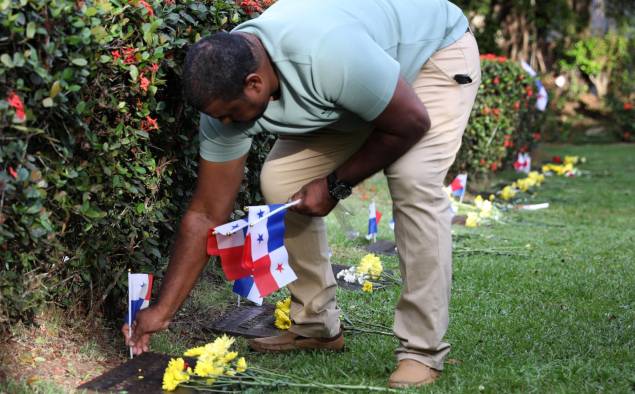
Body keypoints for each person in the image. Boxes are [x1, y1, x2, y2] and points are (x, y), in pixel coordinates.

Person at [123, 0, 480, 388]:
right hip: (365, 85)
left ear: (255, 84)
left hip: (432, 56)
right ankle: (316, 324)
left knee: (413, 180)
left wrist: (335, 185)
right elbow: (207, 212)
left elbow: (410, 122)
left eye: (229, 114)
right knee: (281, 184)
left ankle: (421, 350)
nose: (224, 124)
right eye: (218, 117)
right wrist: (163, 309)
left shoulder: (326, 54)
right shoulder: (224, 95)